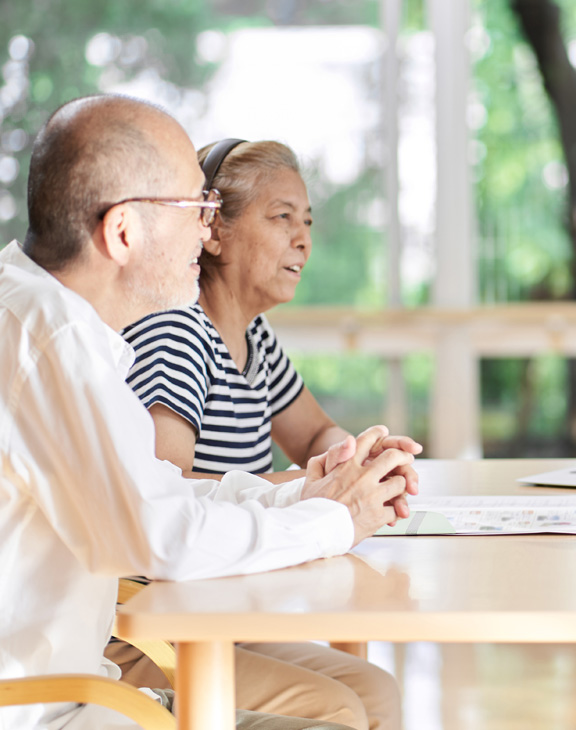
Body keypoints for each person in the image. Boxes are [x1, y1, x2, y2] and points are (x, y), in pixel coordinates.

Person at [0, 93, 419, 730]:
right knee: (341, 715)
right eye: (196, 206)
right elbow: (162, 538)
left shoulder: (54, 322)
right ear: (123, 232)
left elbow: (159, 491)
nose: (206, 227)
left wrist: (308, 492)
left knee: (373, 699)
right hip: (49, 709)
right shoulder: (52, 342)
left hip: (85, 685)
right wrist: (332, 520)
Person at [111, 139, 407, 729]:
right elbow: (168, 487)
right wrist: (318, 492)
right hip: (159, 619)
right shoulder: (178, 334)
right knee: (342, 710)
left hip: (218, 601)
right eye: (281, 217)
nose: (304, 239)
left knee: (377, 694)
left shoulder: (255, 338)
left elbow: (315, 431)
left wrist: (356, 458)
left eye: (307, 222)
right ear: (213, 230)